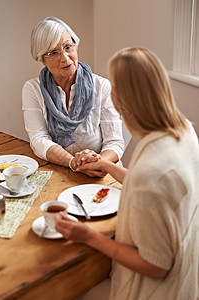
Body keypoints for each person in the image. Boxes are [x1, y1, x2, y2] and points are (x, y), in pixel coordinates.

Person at [55, 47, 199, 299]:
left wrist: (88, 235)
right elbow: (158, 186)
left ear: (120, 100)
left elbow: (156, 266)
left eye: (113, 87)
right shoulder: (184, 130)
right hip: (189, 275)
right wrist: (108, 166)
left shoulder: (149, 173)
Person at [22, 17, 124, 177]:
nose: (65, 58)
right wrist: (72, 163)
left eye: (68, 47)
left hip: (103, 171)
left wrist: (99, 164)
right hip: (60, 171)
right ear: (42, 59)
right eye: (53, 52)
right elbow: (39, 138)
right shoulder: (32, 89)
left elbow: (115, 142)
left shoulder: (102, 86)